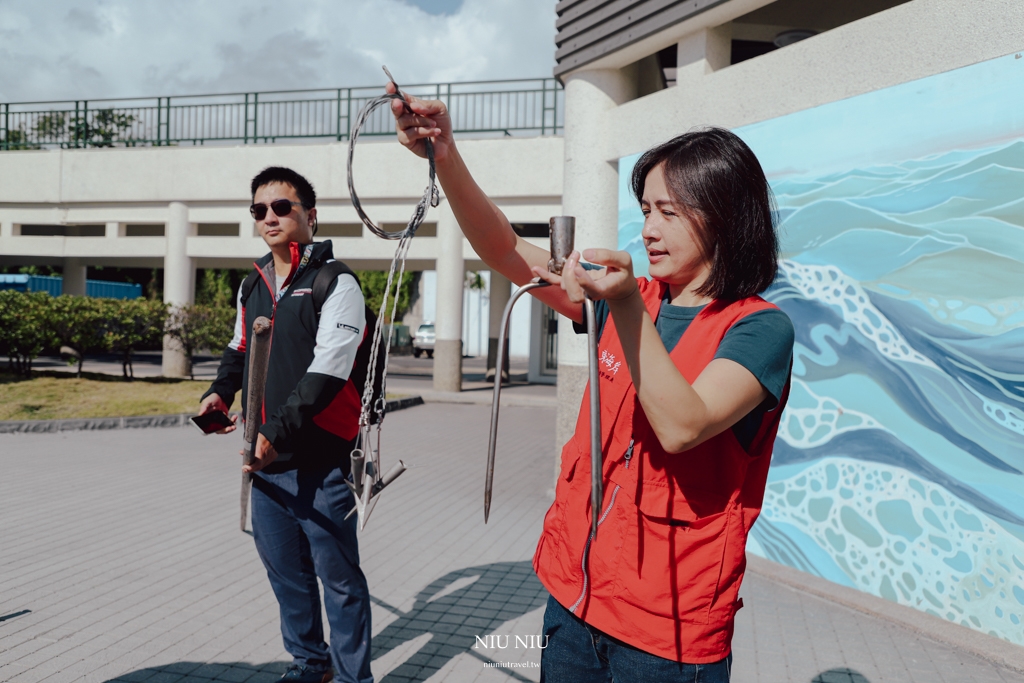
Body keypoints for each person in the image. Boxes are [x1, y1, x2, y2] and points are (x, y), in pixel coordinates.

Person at [388, 84, 793, 683]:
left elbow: (683, 426)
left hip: (667, 633)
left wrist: (625, 303)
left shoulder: (758, 329)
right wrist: (443, 155)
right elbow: (502, 248)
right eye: (647, 209)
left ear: (725, 215)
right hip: (574, 601)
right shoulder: (631, 297)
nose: (650, 228)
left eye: (670, 212)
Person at [199, 167, 374, 683]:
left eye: (282, 207)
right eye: (260, 210)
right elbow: (239, 349)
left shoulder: (335, 282)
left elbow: (329, 369)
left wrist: (276, 432)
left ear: (309, 215)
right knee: (287, 578)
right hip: (266, 465)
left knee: (339, 582)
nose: (270, 217)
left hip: (322, 463)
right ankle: (310, 665)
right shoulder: (251, 283)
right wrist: (218, 392)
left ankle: (351, 678)